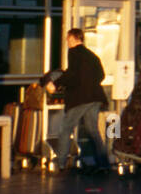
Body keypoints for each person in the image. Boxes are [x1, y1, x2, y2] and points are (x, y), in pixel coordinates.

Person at [41, 28, 109, 174]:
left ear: (73, 38)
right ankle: (103, 163)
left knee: (65, 128)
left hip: (80, 99)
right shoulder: (92, 55)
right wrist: (89, 84)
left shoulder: (74, 52)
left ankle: (60, 163)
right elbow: (101, 75)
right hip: (95, 97)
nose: (66, 42)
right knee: (93, 131)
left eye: (67, 39)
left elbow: (72, 74)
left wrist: (56, 83)